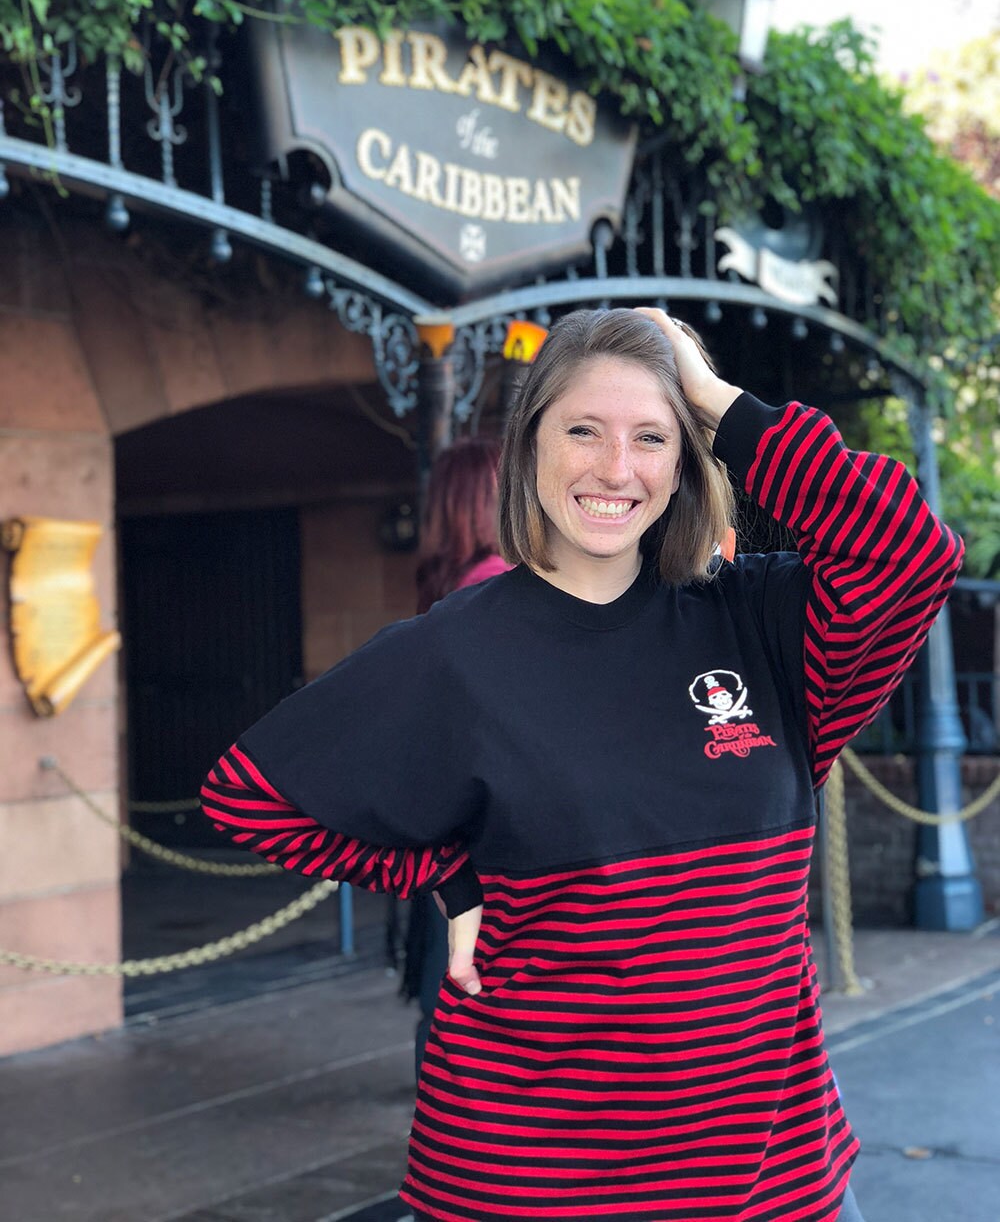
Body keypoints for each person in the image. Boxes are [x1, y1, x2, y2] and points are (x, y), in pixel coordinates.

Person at [201, 308, 961, 1221]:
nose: (616, 468)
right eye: (583, 431)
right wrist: (443, 876)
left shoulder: (761, 624)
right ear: (530, 449)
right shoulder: (450, 655)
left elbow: (911, 553)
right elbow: (248, 796)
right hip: (529, 1179)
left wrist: (715, 397)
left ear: (688, 458)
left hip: (776, 1182)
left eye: (652, 436)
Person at [405, 436, 511, 1077]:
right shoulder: (495, 588)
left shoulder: (448, 587)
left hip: (443, 827)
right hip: (485, 833)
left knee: (442, 985)